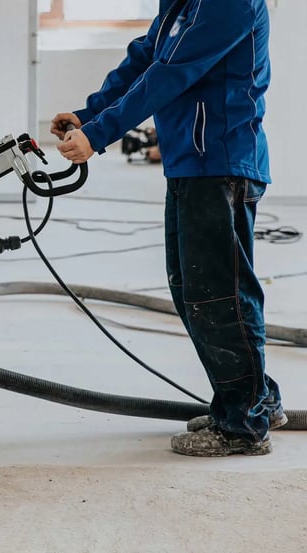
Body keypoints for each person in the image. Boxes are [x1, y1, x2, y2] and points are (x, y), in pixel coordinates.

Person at [51, 0, 284, 457]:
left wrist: (99, 136)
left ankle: (243, 425)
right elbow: (146, 56)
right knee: (193, 291)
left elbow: (171, 72)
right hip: (190, 164)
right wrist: (91, 113)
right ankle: (254, 400)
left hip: (219, 164)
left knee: (219, 295)